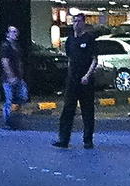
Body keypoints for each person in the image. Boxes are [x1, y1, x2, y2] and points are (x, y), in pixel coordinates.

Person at [53, 12, 100, 149]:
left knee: (87, 111)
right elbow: (70, 59)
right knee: (68, 110)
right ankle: (63, 139)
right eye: (74, 22)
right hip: (72, 80)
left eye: (79, 21)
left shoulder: (89, 39)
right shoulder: (70, 41)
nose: (76, 24)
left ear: (84, 23)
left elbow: (94, 60)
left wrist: (87, 75)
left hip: (86, 81)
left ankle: (88, 140)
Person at [0, 24, 27, 129]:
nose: (15, 34)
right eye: (13, 32)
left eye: (16, 31)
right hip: (9, 78)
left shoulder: (16, 46)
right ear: (8, 34)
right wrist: (10, 76)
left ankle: (15, 119)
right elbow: (5, 61)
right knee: (9, 100)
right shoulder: (6, 46)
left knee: (22, 96)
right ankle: (8, 121)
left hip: (18, 77)